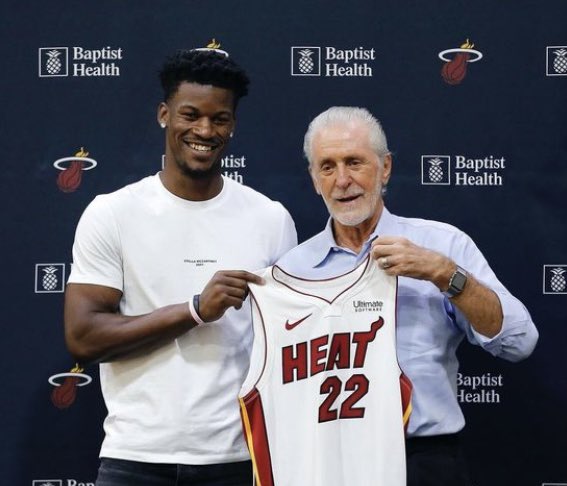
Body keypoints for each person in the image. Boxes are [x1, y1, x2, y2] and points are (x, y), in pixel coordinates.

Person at [64, 45, 297, 486]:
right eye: (191, 115)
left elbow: (286, 344)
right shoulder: (112, 213)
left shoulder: (270, 219)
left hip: (236, 458)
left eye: (219, 118)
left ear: (233, 125)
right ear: (164, 114)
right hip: (135, 457)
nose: (204, 130)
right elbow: (82, 336)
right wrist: (194, 310)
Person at [276, 106, 538, 486]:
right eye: (327, 167)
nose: (343, 180)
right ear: (314, 179)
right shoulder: (293, 268)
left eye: (355, 162)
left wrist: (444, 274)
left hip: (424, 461)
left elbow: (519, 342)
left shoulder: (441, 245)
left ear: (385, 168)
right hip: (328, 462)